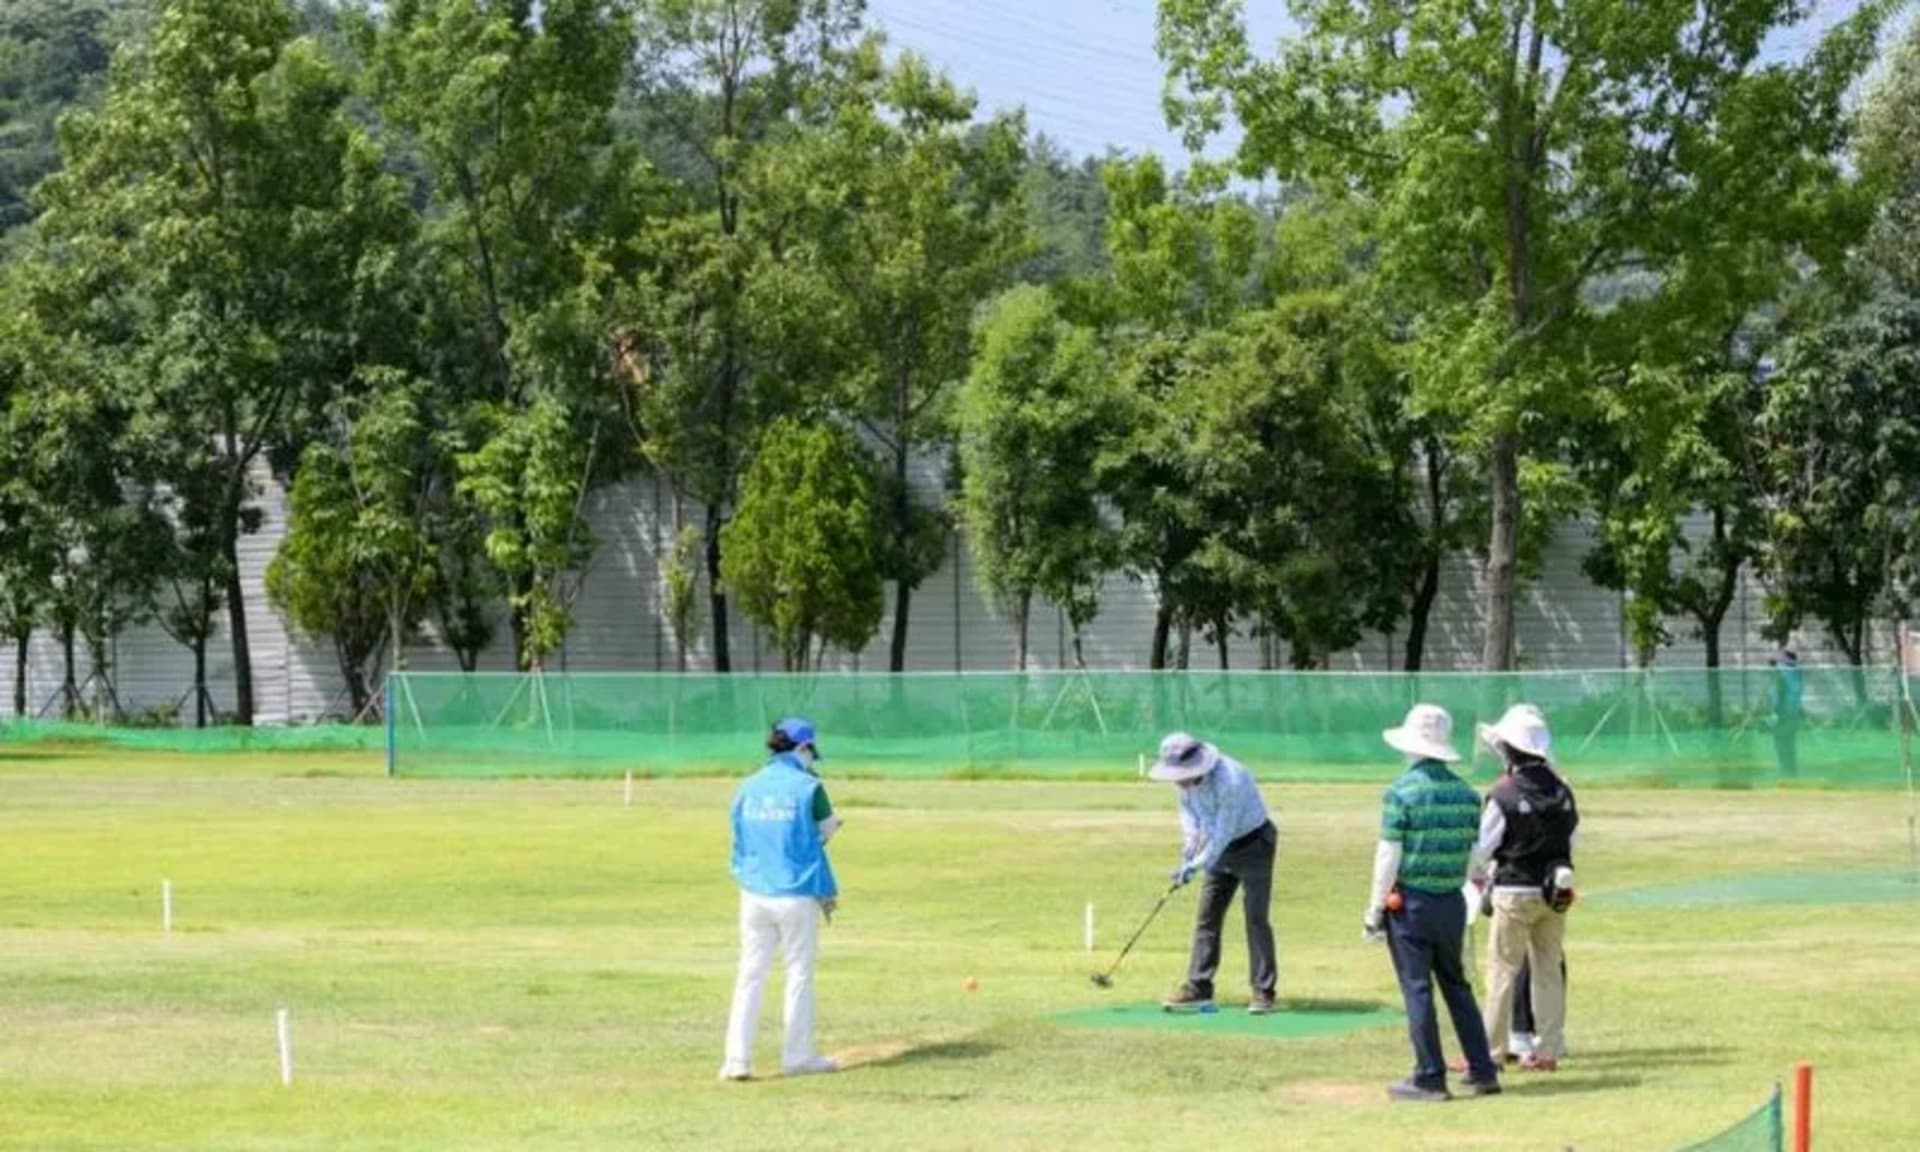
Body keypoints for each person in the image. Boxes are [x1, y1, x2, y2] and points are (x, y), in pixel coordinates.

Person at [1364, 704, 1501, 1102]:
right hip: (1451, 903)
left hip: (1410, 904)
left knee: (1417, 989)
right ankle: (1482, 1069)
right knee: (1457, 986)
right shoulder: (1465, 794)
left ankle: (1429, 1076)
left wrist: (1374, 909)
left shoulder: (1400, 792)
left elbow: (1388, 855)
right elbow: (1476, 856)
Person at [718, 717, 844, 1082]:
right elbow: (826, 829)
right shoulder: (809, 786)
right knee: (799, 973)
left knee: (749, 974)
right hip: (796, 893)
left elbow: (739, 834)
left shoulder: (749, 785)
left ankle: (736, 1060)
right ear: (803, 748)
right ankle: (798, 1056)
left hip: (754, 892)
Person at [1470, 704, 1578, 1073]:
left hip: (1514, 891)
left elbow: (1481, 848)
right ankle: (1548, 1050)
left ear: (1509, 749)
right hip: (1555, 890)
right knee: (1548, 971)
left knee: (1502, 971)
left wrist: (1478, 876)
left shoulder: (1504, 794)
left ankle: (1491, 1053)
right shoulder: (1563, 790)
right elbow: (1572, 841)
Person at [1150, 732, 1279, 1016]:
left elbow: (1223, 832)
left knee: (1256, 918)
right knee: (1207, 917)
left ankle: (1263, 991)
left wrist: (1196, 865)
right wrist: (1188, 853)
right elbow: (1190, 818)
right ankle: (1199, 986)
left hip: (1254, 842)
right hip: (1217, 846)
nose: (1178, 780)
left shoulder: (1229, 779)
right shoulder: (1184, 783)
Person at [1770, 649, 1803, 779]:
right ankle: (1790, 772)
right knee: (1789, 744)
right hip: (1793, 713)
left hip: (1782, 713)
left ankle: (1785, 772)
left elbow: (1780, 690)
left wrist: (1776, 712)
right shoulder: (1797, 672)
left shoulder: (1784, 672)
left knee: (1781, 744)